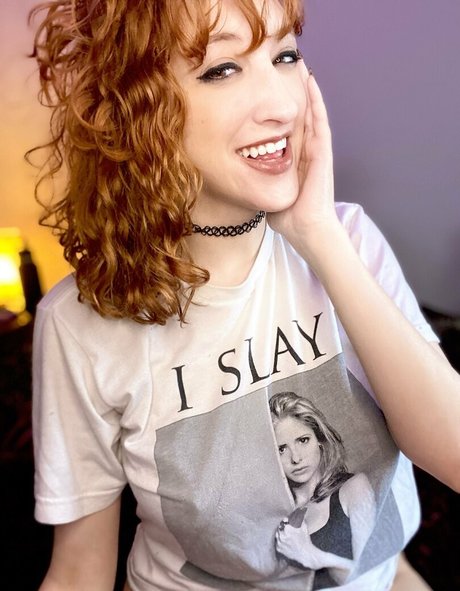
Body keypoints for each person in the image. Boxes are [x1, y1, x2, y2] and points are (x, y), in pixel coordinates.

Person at [28, 1, 460, 590]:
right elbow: (80, 570)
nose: (282, 105)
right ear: (137, 109)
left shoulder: (349, 241)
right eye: (222, 69)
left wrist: (318, 235)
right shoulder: (78, 325)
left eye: (285, 56)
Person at [270, 391, 376, 588]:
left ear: (319, 439)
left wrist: (313, 556)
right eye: (281, 449)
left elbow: (373, 579)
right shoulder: (274, 515)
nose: (296, 458)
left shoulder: (353, 489)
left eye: (303, 440)